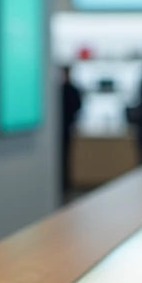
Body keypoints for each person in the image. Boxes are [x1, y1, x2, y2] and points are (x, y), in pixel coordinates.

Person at [59, 65, 83, 195]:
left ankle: (66, 183)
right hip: (62, 129)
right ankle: (62, 183)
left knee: (66, 156)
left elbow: (78, 106)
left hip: (67, 127)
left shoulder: (71, 89)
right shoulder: (59, 89)